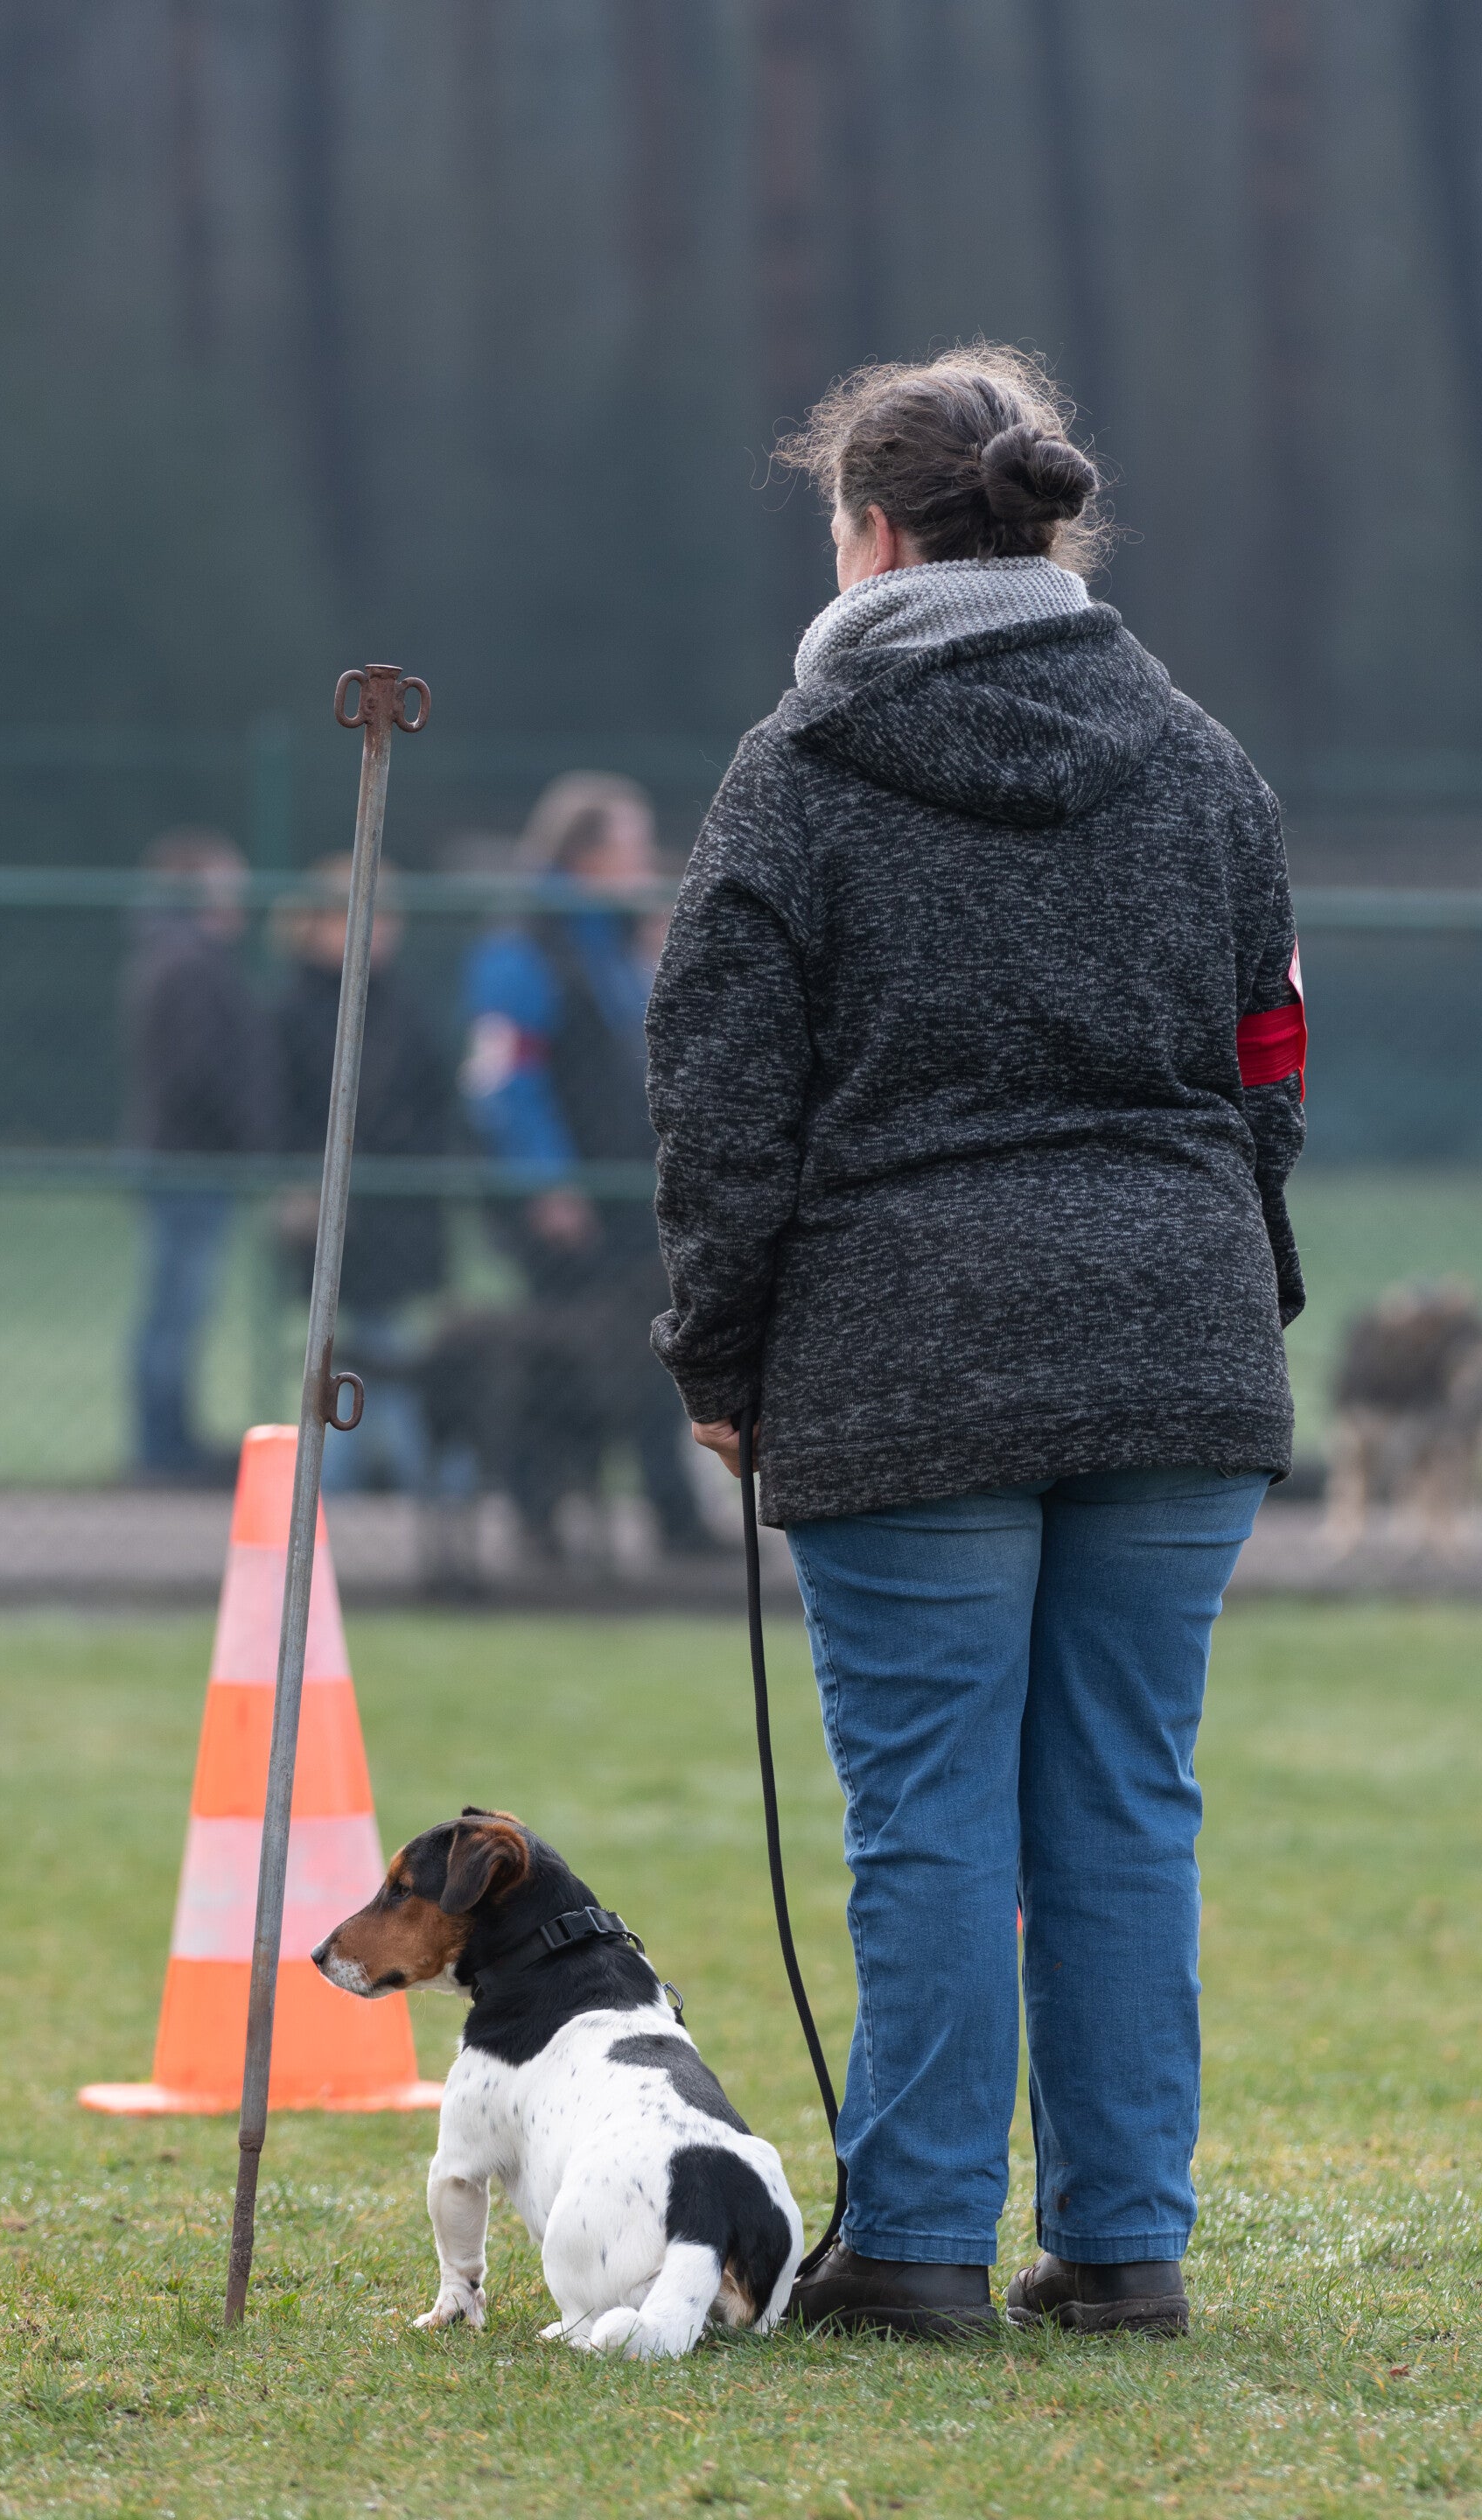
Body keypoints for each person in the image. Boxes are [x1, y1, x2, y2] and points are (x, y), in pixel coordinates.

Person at [645, 348, 1307, 2339]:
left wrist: (718, 1353)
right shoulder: (1199, 756)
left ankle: (919, 2245)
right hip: (1178, 1334)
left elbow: (721, 1094)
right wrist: (1211, 1241)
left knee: (930, 1807)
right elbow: (1269, 1050)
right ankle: (1123, 2247)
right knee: (1126, 1801)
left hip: (905, 1339)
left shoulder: (800, 769)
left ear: (869, 532)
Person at [459, 774, 714, 1555]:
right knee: (562, 1362)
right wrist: (548, 1183)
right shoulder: (524, 949)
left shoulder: (616, 947)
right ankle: (544, 1514)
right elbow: (505, 1083)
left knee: (651, 1352)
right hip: (567, 1205)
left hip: (628, 1199)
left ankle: (665, 1515)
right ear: (586, 855)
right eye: (631, 845)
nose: (645, 862)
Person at [274, 857, 450, 1493]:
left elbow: (435, 1100)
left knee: (385, 1337)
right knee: (349, 1340)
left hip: (397, 1207)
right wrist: (298, 1182)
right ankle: (356, 1478)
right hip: (330, 1204)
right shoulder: (295, 1009)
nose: (379, 933)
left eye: (388, 919)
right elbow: (284, 1106)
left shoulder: (406, 1004)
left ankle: (388, 1473)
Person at [123, 826, 275, 1481]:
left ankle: (170, 1440)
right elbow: (199, 1071)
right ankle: (163, 1449)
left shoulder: (181, 959)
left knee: (179, 1308)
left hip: (188, 1160)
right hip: (189, 1163)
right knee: (175, 1311)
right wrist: (243, 1132)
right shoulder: (190, 966)